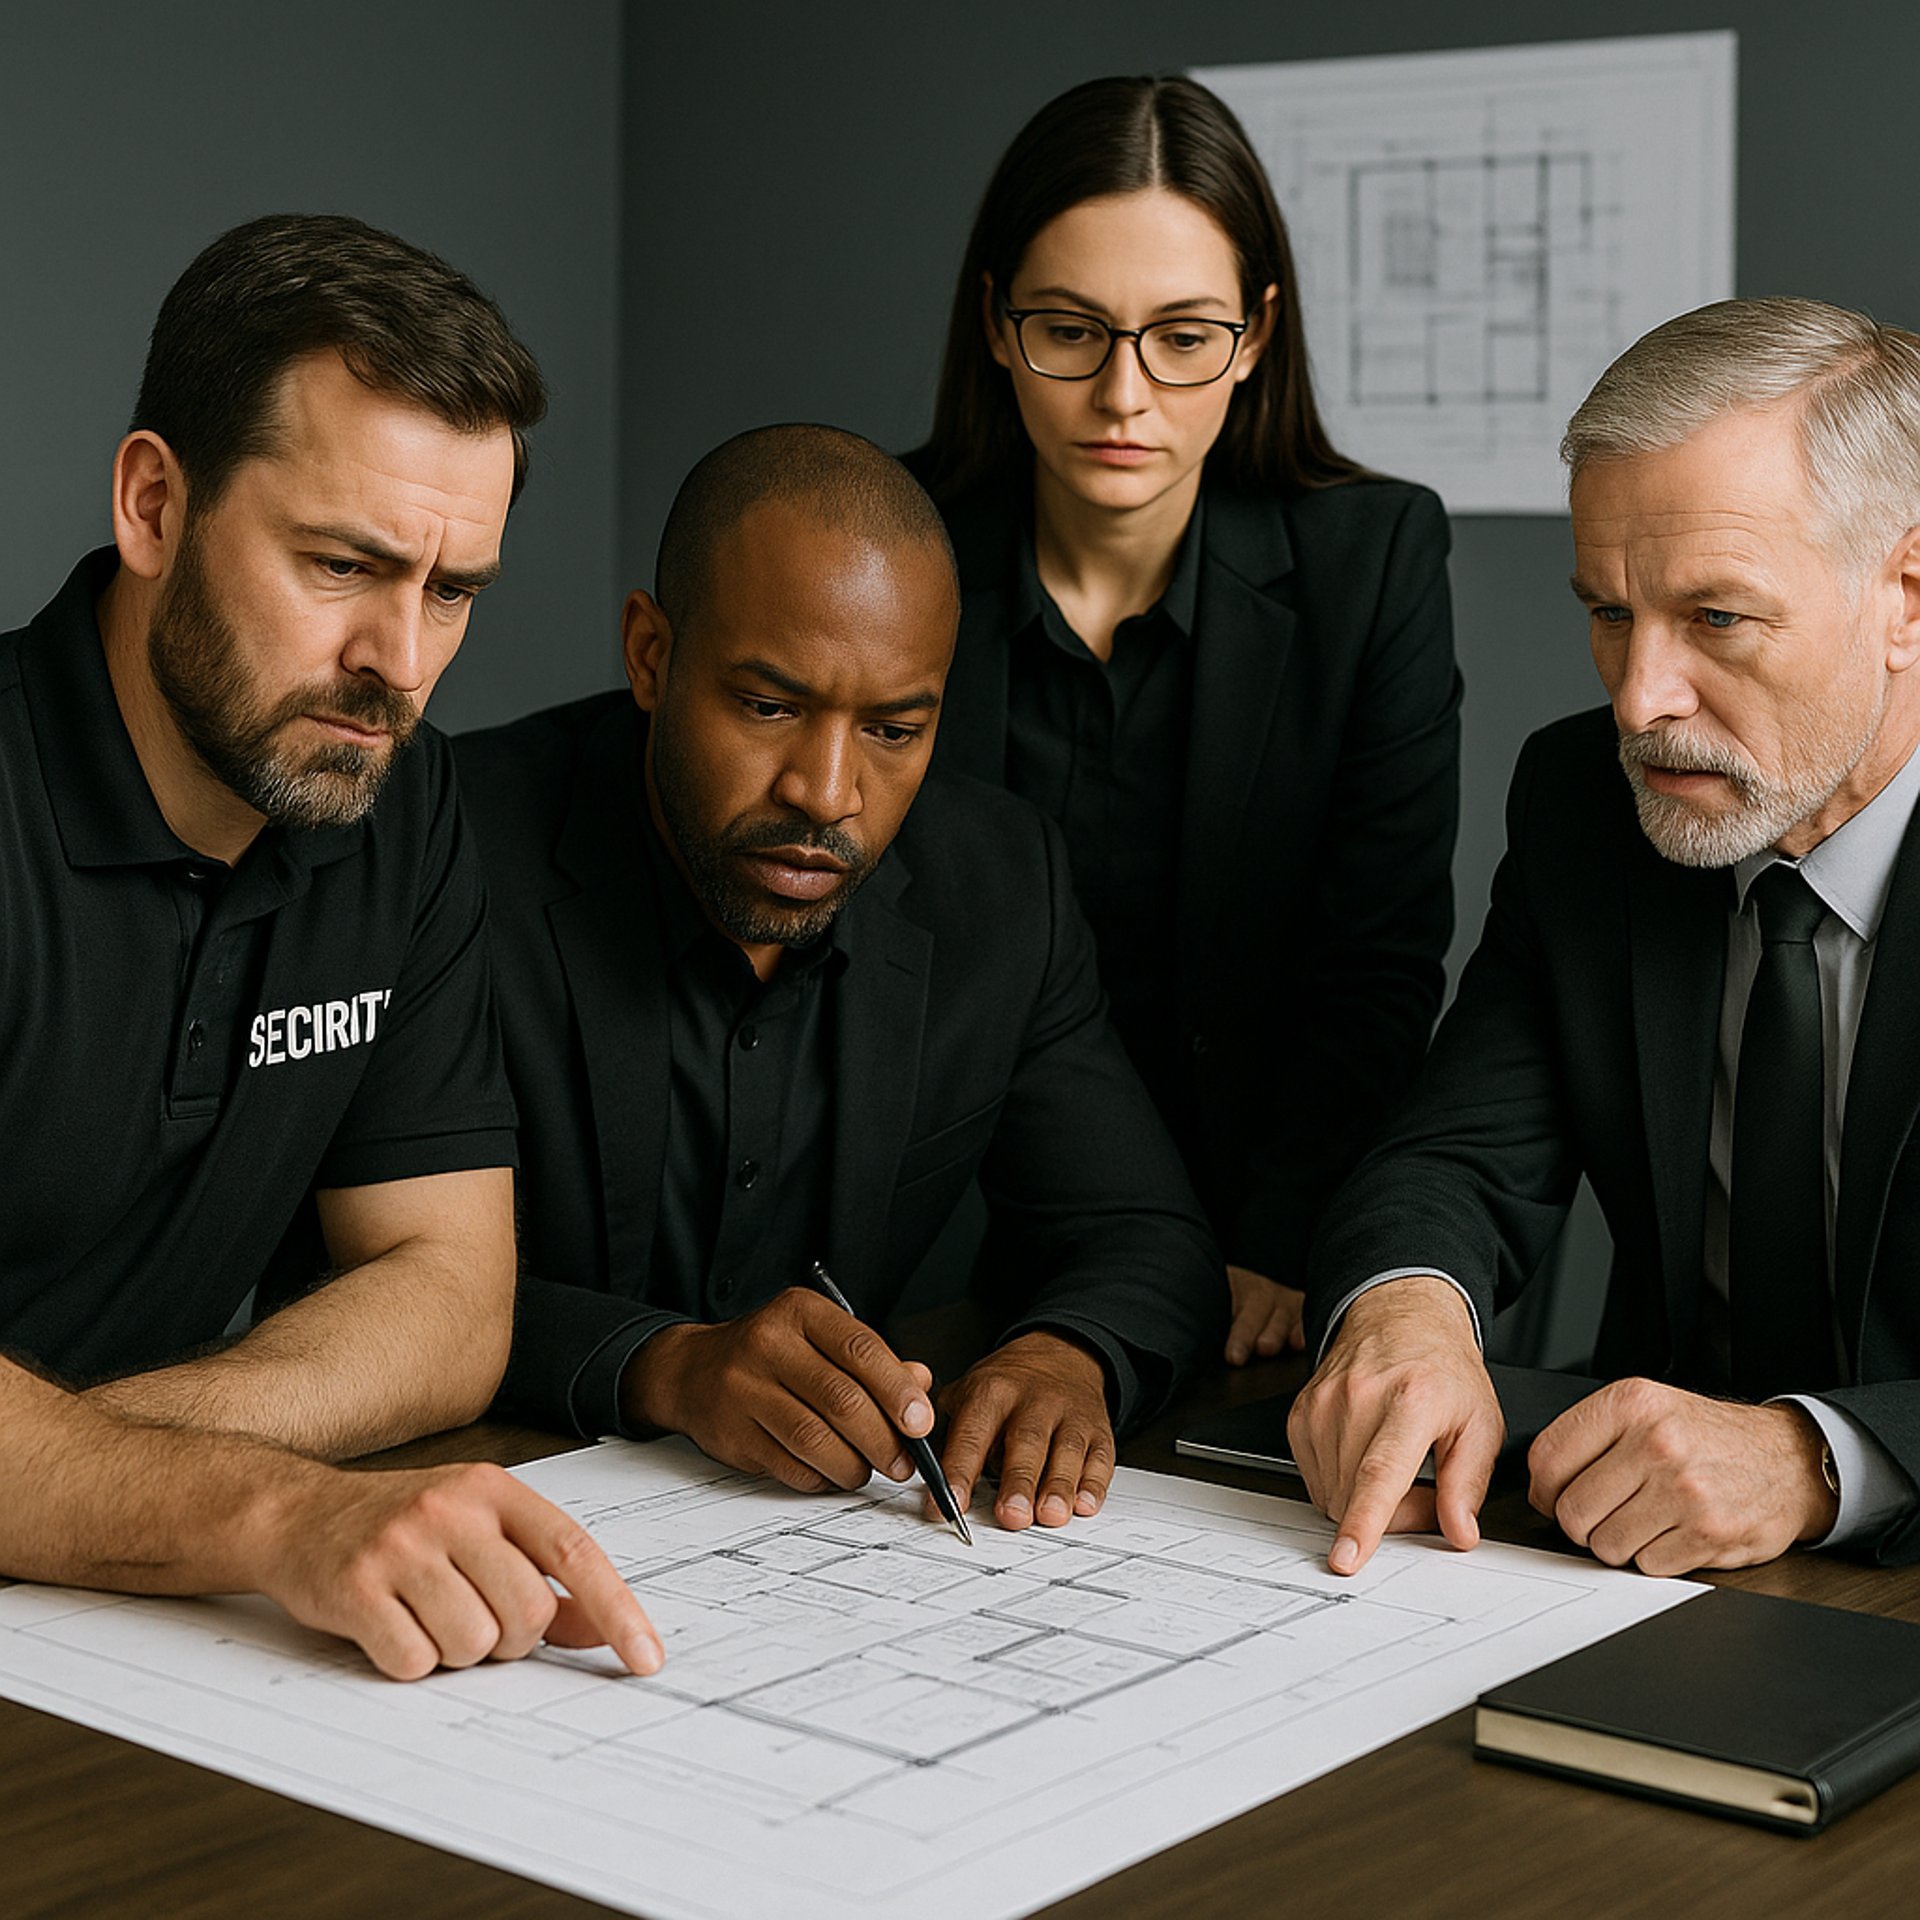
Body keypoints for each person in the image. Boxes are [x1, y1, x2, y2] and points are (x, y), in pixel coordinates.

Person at [1, 212, 659, 1678]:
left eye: (453, 590)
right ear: (155, 508)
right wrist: (258, 1510)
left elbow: (446, 1296)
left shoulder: (391, 799)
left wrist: (80, 1473)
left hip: (95, 1632)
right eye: (342, 565)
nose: (402, 664)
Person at [457, 424, 1223, 1534]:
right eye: (769, 706)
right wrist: (662, 1365)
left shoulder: (1000, 886)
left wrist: (1069, 1356)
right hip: (488, 1523)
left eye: (894, 729)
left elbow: (1148, 1236)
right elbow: (350, 1278)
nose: (827, 792)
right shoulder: (451, 850)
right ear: (650, 654)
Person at [1291, 297, 1920, 1577]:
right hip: (1633, 1558)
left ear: (1907, 596)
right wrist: (1406, 1310)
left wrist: (1816, 1458)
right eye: (1610, 614)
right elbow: (1458, 1154)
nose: (1640, 700)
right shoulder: (1592, 806)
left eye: (1718, 620)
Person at [910, 74, 1462, 1367]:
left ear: (1258, 334)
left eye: (1183, 335)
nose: (1124, 395)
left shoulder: (1369, 560)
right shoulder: (887, 543)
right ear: (995, 323)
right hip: (931, 1229)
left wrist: (1277, 1244)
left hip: (1249, 1237)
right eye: (1071, 330)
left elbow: (1375, 958)